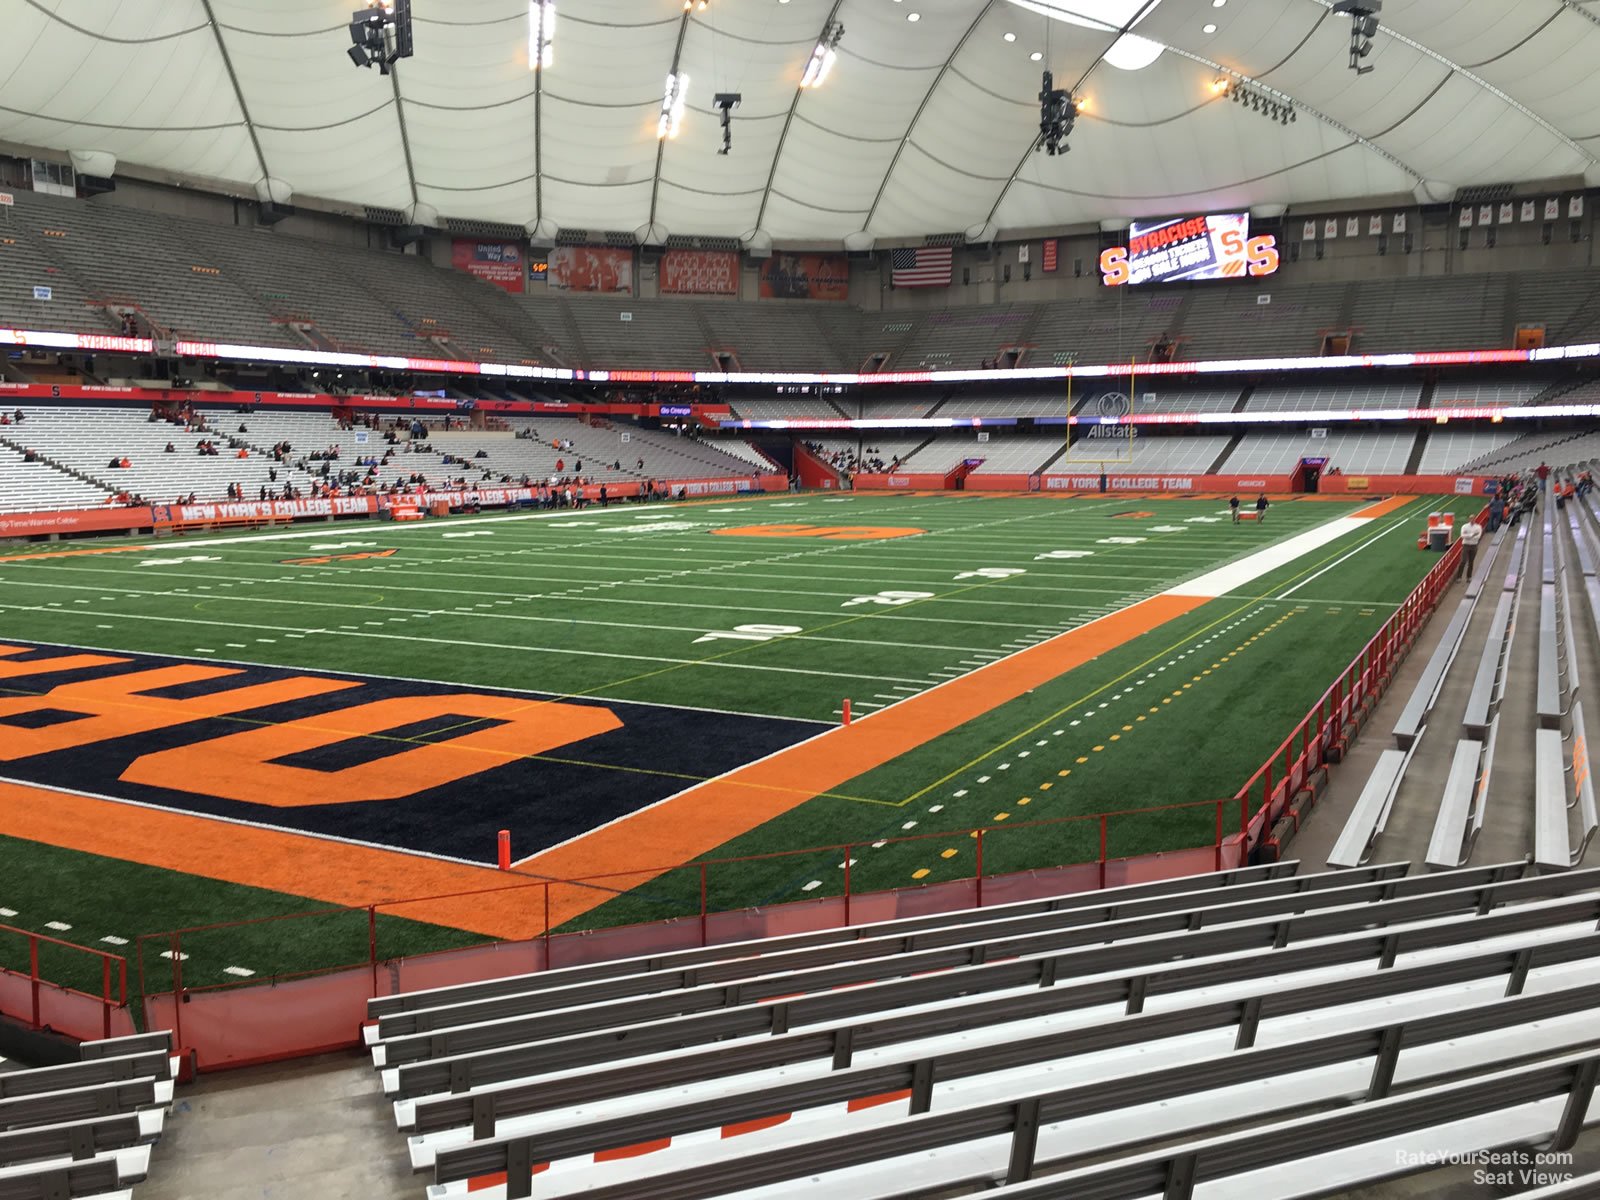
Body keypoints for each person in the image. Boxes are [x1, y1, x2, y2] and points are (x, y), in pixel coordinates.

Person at [1457, 515, 1484, 580]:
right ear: (1469, 519)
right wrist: (1472, 535)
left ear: (1475, 519)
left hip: (1474, 546)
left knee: (1471, 562)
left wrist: (1468, 535)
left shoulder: (1478, 527)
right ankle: (1459, 577)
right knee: (1463, 561)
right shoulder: (1464, 526)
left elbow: (1478, 536)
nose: (1472, 520)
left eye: (1473, 518)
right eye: (1471, 518)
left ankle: (1469, 577)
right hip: (1466, 545)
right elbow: (1462, 536)